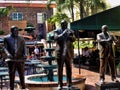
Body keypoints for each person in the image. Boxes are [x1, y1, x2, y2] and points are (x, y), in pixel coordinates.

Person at [3, 26, 27, 90]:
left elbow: (24, 46)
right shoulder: (6, 38)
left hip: (20, 59)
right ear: (11, 31)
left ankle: (23, 87)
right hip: (11, 59)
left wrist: (25, 54)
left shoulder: (21, 38)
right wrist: (8, 54)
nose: (16, 32)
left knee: (21, 74)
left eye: (17, 31)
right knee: (12, 75)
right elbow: (5, 48)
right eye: (15, 31)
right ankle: (12, 88)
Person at [54, 20, 76, 89]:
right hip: (60, 53)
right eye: (63, 24)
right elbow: (56, 38)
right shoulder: (57, 31)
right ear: (61, 24)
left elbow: (74, 39)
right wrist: (63, 33)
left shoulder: (70, 31)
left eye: (66, 24)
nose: (65, 25)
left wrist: (70, 36)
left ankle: (69, 84)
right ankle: (60, 85)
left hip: (68, 53)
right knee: (59, 69)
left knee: (69, 69)